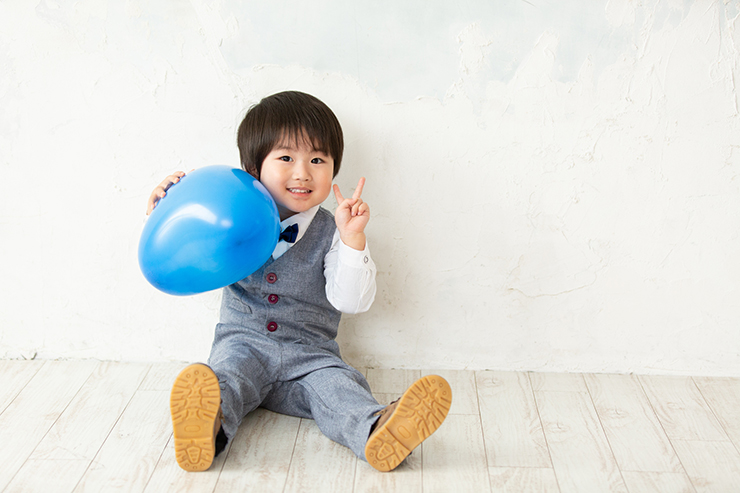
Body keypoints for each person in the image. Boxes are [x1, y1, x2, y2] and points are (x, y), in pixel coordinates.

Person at [146, 91, 451, 473]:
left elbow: (351, 301)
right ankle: (207, 428)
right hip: (243, 343)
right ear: (253, 167)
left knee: (339, 389)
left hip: (311, 354)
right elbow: (188, 250)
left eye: (318, 159)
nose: (303, 172)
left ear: (333, 168)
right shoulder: (227, 216)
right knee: (226, 379)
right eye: (286, 158)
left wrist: (353, 240)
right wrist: (167, 211)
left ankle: (378, 430)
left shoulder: (334, 230)